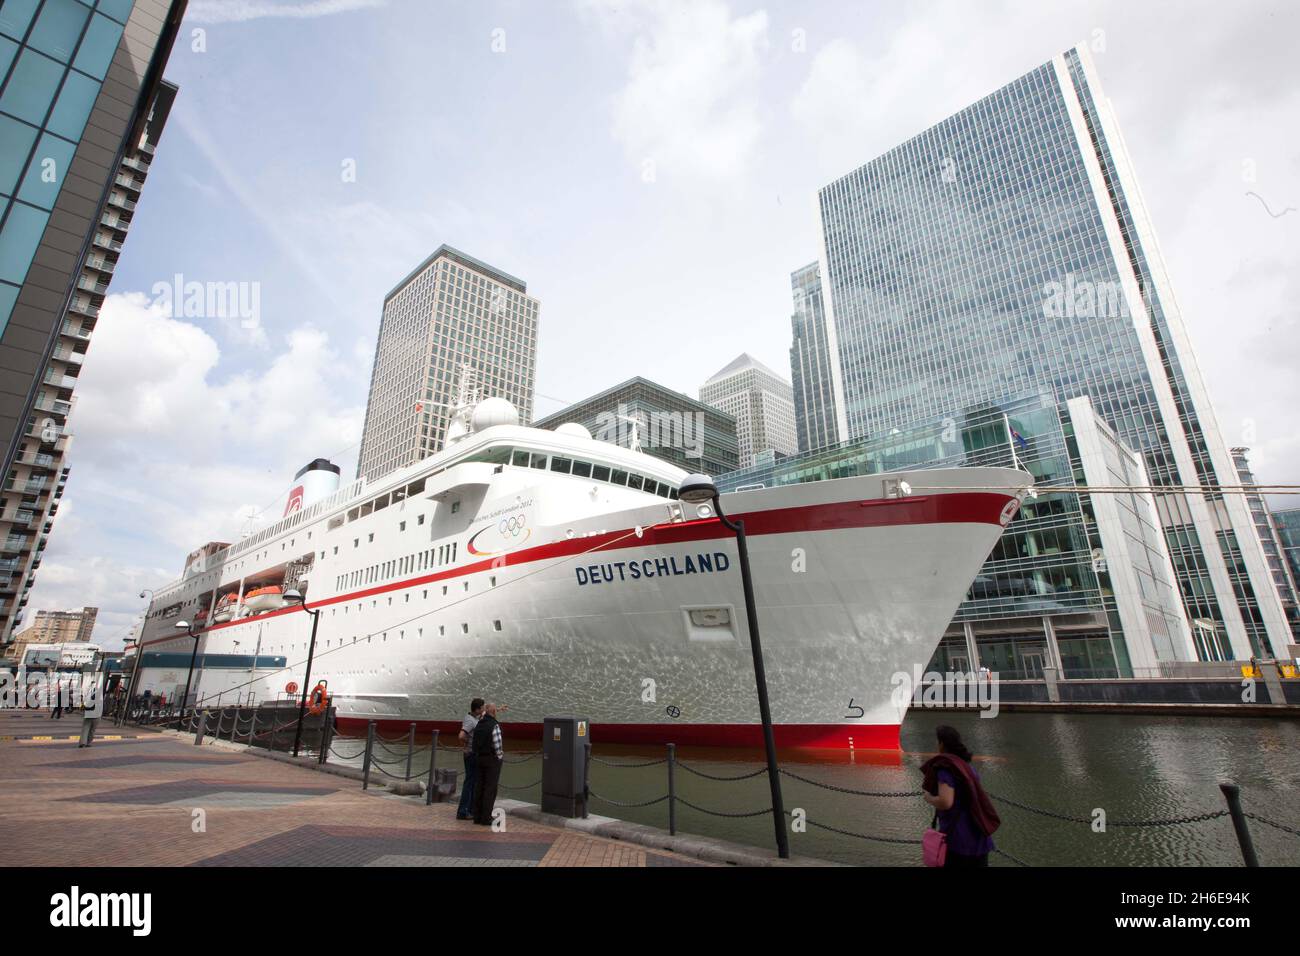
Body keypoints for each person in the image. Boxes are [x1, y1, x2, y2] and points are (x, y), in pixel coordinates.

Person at [920, 725, 1000, 867]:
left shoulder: (945, 767)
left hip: (959, 838)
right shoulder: (966, 766)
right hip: (978, 833)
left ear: (942, 744)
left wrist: (928, 797)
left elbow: (946, 802)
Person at [471, 702, 504, 826]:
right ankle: (486, 817)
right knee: (490, 789)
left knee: (480, 787)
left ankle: (477, 816)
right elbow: (497, 744)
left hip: (479, 758)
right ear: (494, 712)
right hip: (491, 760)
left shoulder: (480, 723)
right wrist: (500, 757)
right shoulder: (494, 725)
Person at [455, 698, 485, 820]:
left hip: (471, 754)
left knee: (472, 782)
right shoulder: (471, 722)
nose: (483, 710)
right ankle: (463, 811)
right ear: (477, 709)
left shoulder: (470, 717)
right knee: (470, 782)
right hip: (471, 754)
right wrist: (468, 742)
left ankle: (469, 809)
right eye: (482, 708)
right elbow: (461, 735)